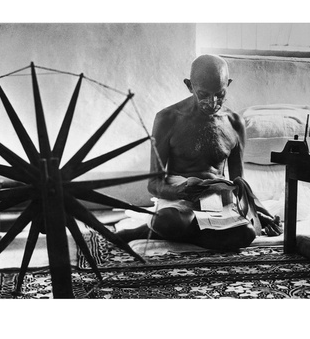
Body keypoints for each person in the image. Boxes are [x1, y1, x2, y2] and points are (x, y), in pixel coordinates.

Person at [116, 54, 282, 251]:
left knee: (248, 233)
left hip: (218, 205)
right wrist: (179, 190)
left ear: (228, 84)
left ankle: (164, 233)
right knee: (166, 221)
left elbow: (239, 181)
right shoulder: (167, 119)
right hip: (180, 204)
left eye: (220, 94)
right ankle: (189, 234)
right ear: (189, 86)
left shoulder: (235, 123)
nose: (212, 102)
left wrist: (258, 212)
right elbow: (154, 184)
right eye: (203, 94)